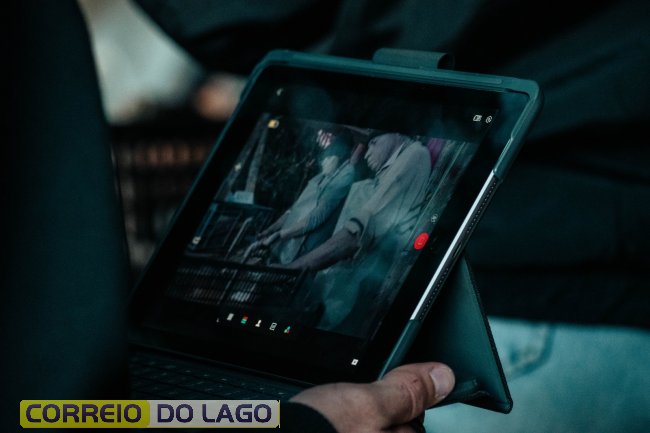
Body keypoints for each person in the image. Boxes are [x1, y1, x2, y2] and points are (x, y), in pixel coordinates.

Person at [133, 0, 650, 431]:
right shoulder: (360, 166)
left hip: (545, 284)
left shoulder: (399, 160)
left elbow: (347, 232)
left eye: (349, 141)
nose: (331, 144)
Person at [250, 129, 357, 264]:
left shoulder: (346, 175)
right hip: (287, 242)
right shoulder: (321, 177)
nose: (323, 162)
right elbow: (294, 209)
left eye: (328, 158)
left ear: (339, 156)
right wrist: (270, 230)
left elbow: (317, 217)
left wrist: (281, 234)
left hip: (304, 247)